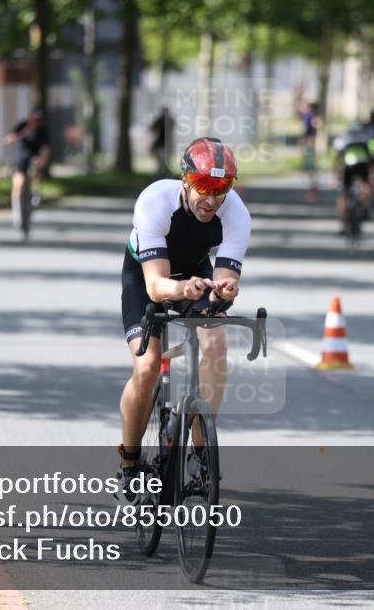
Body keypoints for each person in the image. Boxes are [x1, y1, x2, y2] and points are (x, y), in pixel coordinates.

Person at [116, 137, 250, 506]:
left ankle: (200, 451)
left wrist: (225, 290)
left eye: (221, 189)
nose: (211, 199)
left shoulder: (235, 213)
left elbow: (226, 278)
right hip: (147, 276)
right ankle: (128, 462)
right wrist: (181, 289)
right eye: (204, 187)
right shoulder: (155, 201)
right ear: (185, 180)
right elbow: (157, 287)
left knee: (216, 343)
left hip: (195, 271)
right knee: (146, 369)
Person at [4, 108, 50, 232]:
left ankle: (36, 193)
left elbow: (45, 149)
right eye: (34, 120)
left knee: (37, 168)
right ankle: (16, 211)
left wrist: (43, 160)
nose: (36, 123)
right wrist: (19, 135)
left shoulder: (42, 131)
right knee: (18, 183)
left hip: (35, 157)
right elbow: (8, 140)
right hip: (22, 157)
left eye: (38, 121)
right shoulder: (23, 125)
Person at [333, 123, 373, 233]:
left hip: (348, 167)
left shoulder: (344, 140)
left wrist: (335, 176)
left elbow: (338, 159)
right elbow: (370, 159)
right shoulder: (365, 140)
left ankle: (343, 223)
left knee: (343, 194)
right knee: (365, 186)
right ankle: (363, 206)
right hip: (362, 167)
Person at [298, 101, 321, 200]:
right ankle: (312, 189)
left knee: (312, 168)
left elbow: (313, 132)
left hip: (310, 144)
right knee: (310, 168)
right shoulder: (309, 117)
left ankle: (313, 190)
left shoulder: (313, 118)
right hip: (309, 143)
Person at [148, 106, 174, 177]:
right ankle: (161, 175)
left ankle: (163, 175)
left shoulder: (166, 120)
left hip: (164, 144)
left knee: (164, 162)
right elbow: (152, 129)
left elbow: (152, 128)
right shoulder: (167, 120)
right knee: (161, 162)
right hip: (161, 144)